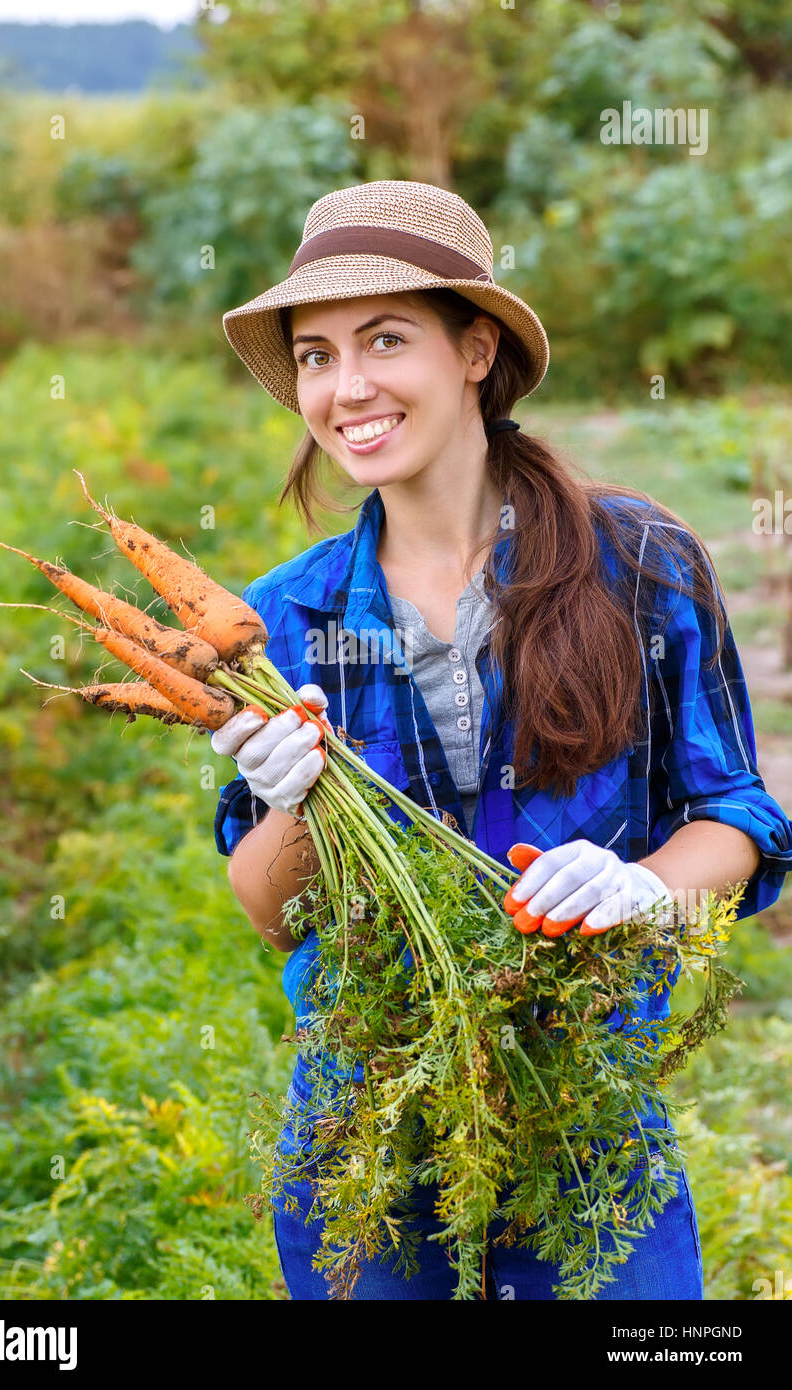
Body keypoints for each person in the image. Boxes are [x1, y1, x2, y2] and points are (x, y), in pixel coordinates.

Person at [211, 180, 792, 1300]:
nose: (349, 387)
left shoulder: (638, 562)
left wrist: (638, 884)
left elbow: (740, 821)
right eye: (318, 355)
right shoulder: (282, 617)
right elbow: (272, 911)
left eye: (386, 339)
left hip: (585, 1121)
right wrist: (293, 801)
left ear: (475, 350)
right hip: (364, 1134)